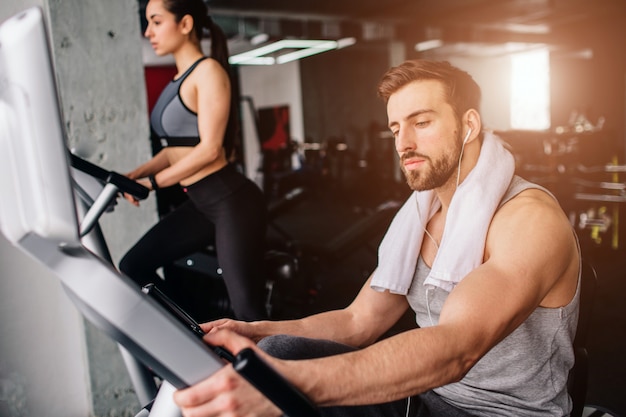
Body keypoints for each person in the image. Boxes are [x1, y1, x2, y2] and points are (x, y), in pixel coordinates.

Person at [172, 59, 581, 417]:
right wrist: (257, 332)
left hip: (497, 412)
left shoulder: (528, 220)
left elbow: (458, 347)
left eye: (422, 123)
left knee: (279, 379)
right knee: (279, 351)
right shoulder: (423, 213)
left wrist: (291, 384)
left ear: (468, 125)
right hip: (429, 396)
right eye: (396, 129)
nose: (404, 144)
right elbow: (357, 321)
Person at [119, 0, 268, 321]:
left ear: (185, 24)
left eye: (156, 22)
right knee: (133, 266)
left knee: (248, 312)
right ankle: (203, 337)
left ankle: (272, 369)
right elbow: (174, 149)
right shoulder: (176, 82)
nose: (148, 32)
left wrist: (152, 184)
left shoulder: (208, 72)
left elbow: (210, 149)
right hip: (200, 203)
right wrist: (133, 174)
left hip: (231, 200)